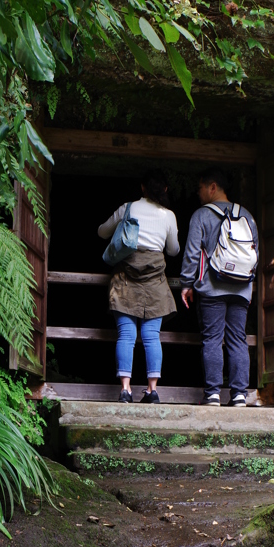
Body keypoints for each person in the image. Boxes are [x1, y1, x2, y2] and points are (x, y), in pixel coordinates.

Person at [180, 167, 259, 407]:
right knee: (238, 339)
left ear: (212, 187)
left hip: (212, 288)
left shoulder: (201, 215)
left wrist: (186, 284)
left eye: (200, 187)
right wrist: (249, 287)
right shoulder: (247, 215)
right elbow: (255, 253)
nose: (198, 193)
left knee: (212, 339)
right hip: (241, 289)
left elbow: (192, 253)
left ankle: (213, 394)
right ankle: (239, 395)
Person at [98, 171, 179, 403]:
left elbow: (102, 231)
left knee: (126, 335)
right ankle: (152, 392)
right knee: (152, 336)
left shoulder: (128, 208)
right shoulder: (168, 216)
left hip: (125, 279)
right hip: (155, 282)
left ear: (142, 187)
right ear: (164, 189)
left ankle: (126, 390)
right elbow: (173, 250)